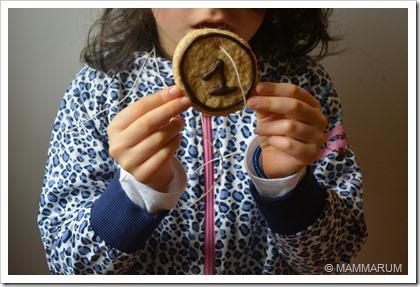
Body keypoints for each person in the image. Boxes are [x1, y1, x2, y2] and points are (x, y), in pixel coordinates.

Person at [38, 8, 367, 275]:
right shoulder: (97, 91)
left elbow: (331, 260)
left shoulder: (304, 91)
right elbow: (70, 265)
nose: (215, 6)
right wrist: (136, 194)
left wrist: (287, 186)